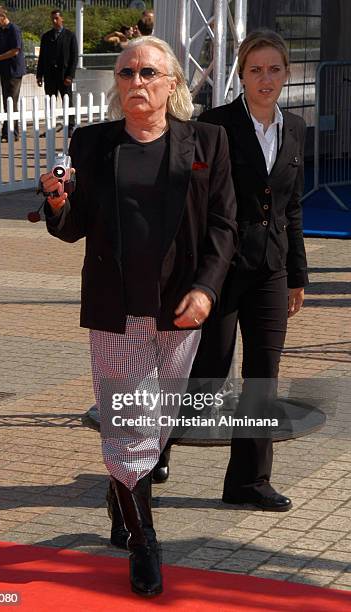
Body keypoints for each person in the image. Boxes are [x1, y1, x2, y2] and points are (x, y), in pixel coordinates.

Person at [40, 36, 237, 597]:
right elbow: (74, 223)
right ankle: (144, 542)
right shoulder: (93, 143)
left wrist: (205, 290)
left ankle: (120, 492)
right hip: (115, 312)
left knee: (157, 422)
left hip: (179, 311)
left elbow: (224, 226)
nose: (136, 83)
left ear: (172, 82)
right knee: (130, 424)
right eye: (126, 74)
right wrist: (57, 202)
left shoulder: (207, 142)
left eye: (148, 72)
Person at [188, 30, 308, 512]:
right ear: (240, 74)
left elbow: (291, 205)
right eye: (255, 69)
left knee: (263, 377)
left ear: (287, 73)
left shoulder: (294, 128)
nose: (266, 78)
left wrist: (297, 274)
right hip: (220, 270)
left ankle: (248, 481)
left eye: (274, 69)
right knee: (208, 373)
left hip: (271, 271)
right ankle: (151, 458)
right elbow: (195, 205)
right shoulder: (213, 125)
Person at [0, 6, 25, 142]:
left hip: (14, 70)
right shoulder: (1, 31)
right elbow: (1, 50)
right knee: (7, 102)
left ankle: (11, 132)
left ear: (2, 16)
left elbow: (15, 50)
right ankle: (8, 132)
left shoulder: (14, 29)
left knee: (11, 102)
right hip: (5, 70)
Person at [37, 9, 78, 137]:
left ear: (62, 19)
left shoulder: (70, 36)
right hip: (50, 76)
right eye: (53, 19)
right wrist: (39, 74)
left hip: (64, 75)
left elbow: (74, 57)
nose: (54, 21)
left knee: (67, 101)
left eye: (56, 18)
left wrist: (70, 75)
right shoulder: (46, 36)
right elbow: (42, 57)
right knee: (50, 101)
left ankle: (70, 126)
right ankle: (50, 126)